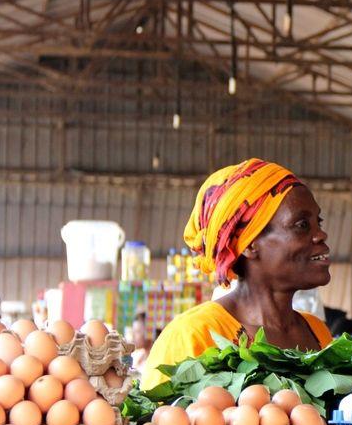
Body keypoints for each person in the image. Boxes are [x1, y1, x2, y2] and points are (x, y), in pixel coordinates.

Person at [142, 159, 334, 389]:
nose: (320, 234)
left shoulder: (317, 331)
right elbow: (159, 422)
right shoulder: (194, 335)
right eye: (302, 224)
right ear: (250, 245)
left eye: (318, 222)